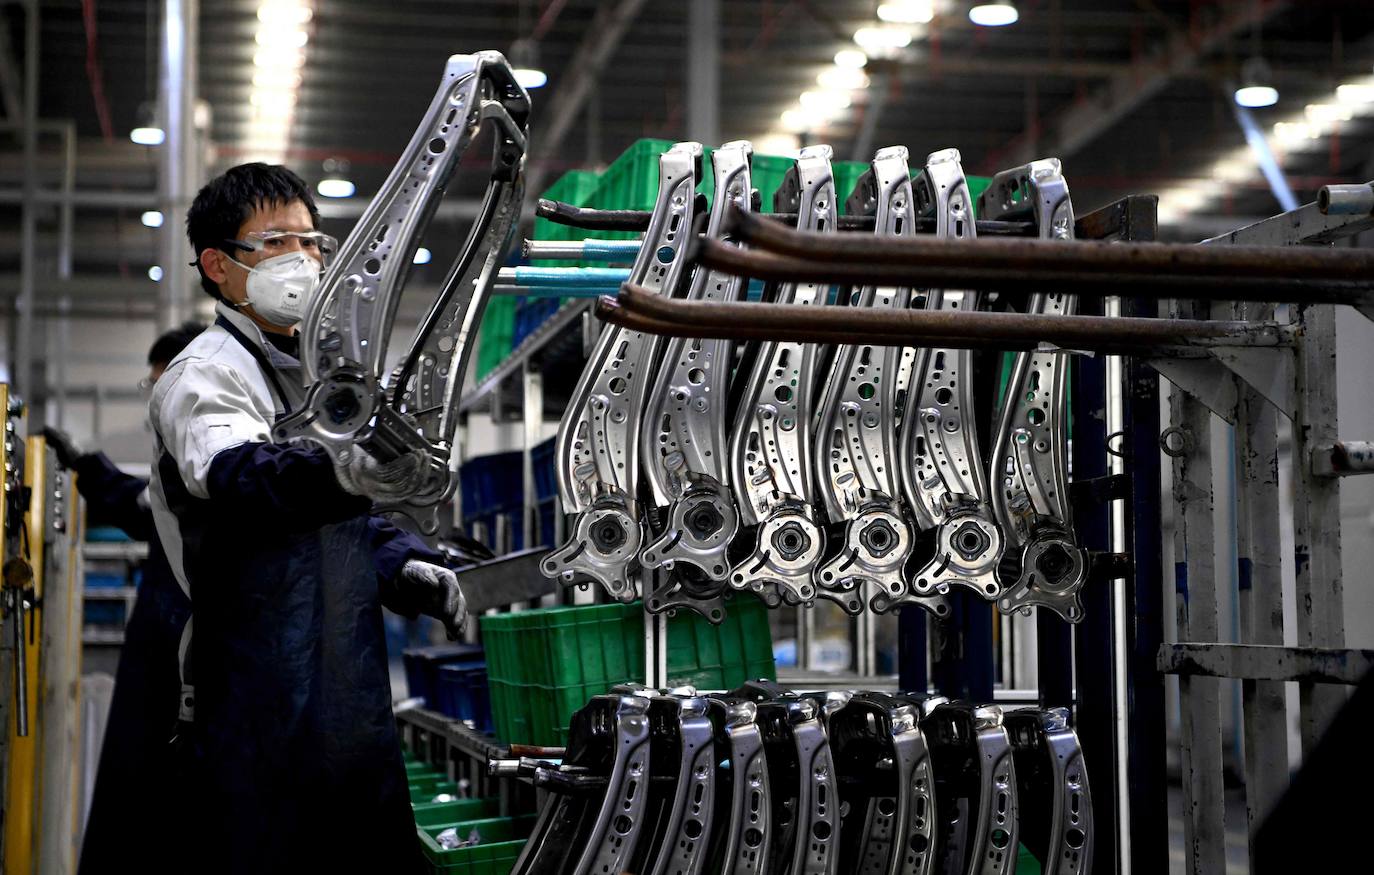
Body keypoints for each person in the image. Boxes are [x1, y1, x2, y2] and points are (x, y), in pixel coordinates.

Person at [145, 163, 465, 873]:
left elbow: (334, 522)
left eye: (312, 240)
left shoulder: (316, 373)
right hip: (251, 708)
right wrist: (347, 468)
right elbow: (241, 480)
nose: (304, 257)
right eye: (276, 241)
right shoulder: (206, 372)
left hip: (346, 700)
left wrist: (401, 563)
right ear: (218, 266)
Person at [47, 322, 205, 875]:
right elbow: (142, 509)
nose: (158, 403)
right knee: (137, 796)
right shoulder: (176, 468)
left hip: (197, 666)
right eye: (154, 389)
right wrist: (85, 466)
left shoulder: (219, 461)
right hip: (156, 653)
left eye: (166, 387)